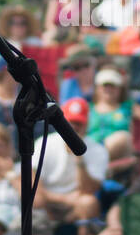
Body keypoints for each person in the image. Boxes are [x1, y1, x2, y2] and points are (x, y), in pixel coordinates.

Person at [33, 97, 108, 227]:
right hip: (49, 201)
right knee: (35, 199)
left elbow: (89, 189)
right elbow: (34, 185)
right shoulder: (44, 143)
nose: (73, 127)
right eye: (70, 122)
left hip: (76, 205)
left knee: (88, 203)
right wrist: (64, 199)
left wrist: (78, 156)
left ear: (86, 125)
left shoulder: (98, 150)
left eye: (78, 124)